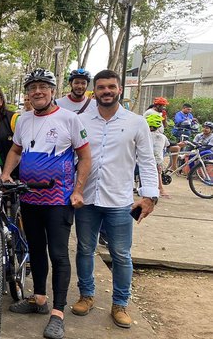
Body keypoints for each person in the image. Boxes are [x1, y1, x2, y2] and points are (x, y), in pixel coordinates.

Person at [1, 68, 91, 339]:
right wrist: (6, 174)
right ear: (28, 93)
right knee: (36, 250)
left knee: (59, 254)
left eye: (43, 87)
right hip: (29, 197)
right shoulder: (24, 120)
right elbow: (16, 150)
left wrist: (78, 191)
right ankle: (39, 299)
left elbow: (85, 157)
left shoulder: (70, 119)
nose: (37, 91)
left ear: (53, 90)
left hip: (58, 199)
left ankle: (58, 313)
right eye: (32, 87)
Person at [72, 69, 158, 330]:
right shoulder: (81, 121)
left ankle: (120, 304)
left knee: (121, 254)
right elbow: (70, 156)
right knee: (85, 249)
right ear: (94, 92)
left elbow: (147, 160)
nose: (106, 91)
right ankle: (86, 295)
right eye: (101, 87)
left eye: (111, 87)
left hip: (120, 201)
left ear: (120, 89)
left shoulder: (136, 122)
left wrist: (149, 196)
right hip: (87, 199)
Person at [145, 114, 171, 198]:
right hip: (157, 161)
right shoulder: (162, 137)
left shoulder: (144, 135)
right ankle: (160, 188)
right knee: (158, 170)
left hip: (144, 159)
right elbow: (167, 144)